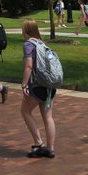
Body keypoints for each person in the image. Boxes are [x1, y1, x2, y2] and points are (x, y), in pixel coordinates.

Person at [20, 19, 57, 158]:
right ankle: (50, 148)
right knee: (48, 117)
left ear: (26, 31)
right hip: (49, 85)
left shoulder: (29, 45)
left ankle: (38, 143)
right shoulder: (43, 44)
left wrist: (24, 84)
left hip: (37, 86)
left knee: (25, 111)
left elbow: (29, 66)